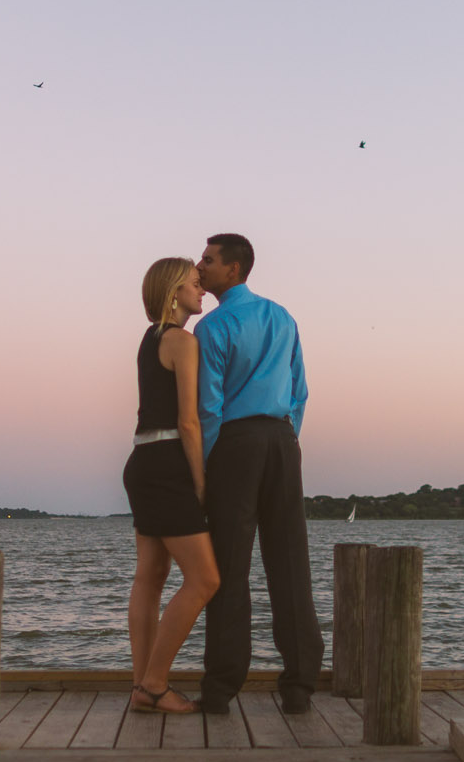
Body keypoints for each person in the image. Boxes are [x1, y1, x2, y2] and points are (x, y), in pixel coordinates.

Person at [193, 233, 322, 715]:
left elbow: (208, 407)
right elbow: (301, 392)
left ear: (233, 269)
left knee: (229, 566)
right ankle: (300, 684)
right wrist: (287, 442)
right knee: (290, 561)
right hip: (282, 440)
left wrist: (204, 468)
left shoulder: (213, 327)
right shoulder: (283, 317)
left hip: (235, 443)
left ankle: (221, 686)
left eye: (207, 260)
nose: (199, 267)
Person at [122, 257, 221, 715]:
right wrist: (200, 482)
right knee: (204, 579)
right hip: (166, 465)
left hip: (141, 461)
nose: (201, 291)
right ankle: (156, 684)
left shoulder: (149, 339)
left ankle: (143, 684)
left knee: (152, 576)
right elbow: (188, 420)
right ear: (172, 292)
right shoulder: (182, 341)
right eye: (194, 284)